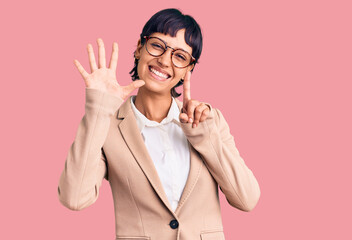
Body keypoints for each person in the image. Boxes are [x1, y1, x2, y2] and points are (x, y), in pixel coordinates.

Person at [58, 8, 260, 240]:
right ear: (138, 48)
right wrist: (99, 109)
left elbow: (247, 199)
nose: (164, 61)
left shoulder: (209, 121)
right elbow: (74, 198)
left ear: (188, 70)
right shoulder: (107, 125)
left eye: (180, 56)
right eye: (157, 45)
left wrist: (204, 137)